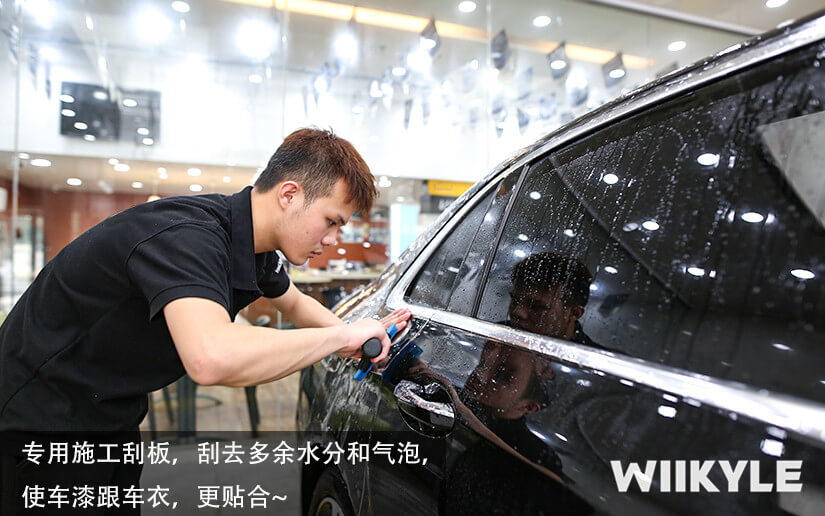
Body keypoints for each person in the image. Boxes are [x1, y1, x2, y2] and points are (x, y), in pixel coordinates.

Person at [0, 128, 410, 513]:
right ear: (289, 194)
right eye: (331, 221)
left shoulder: (255, 247)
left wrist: (360, 334)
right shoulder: (189, 236)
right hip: (40, 417)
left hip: (109, 413)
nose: (333, 239)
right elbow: (210, 358)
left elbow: (296, 304)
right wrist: (341, 340)